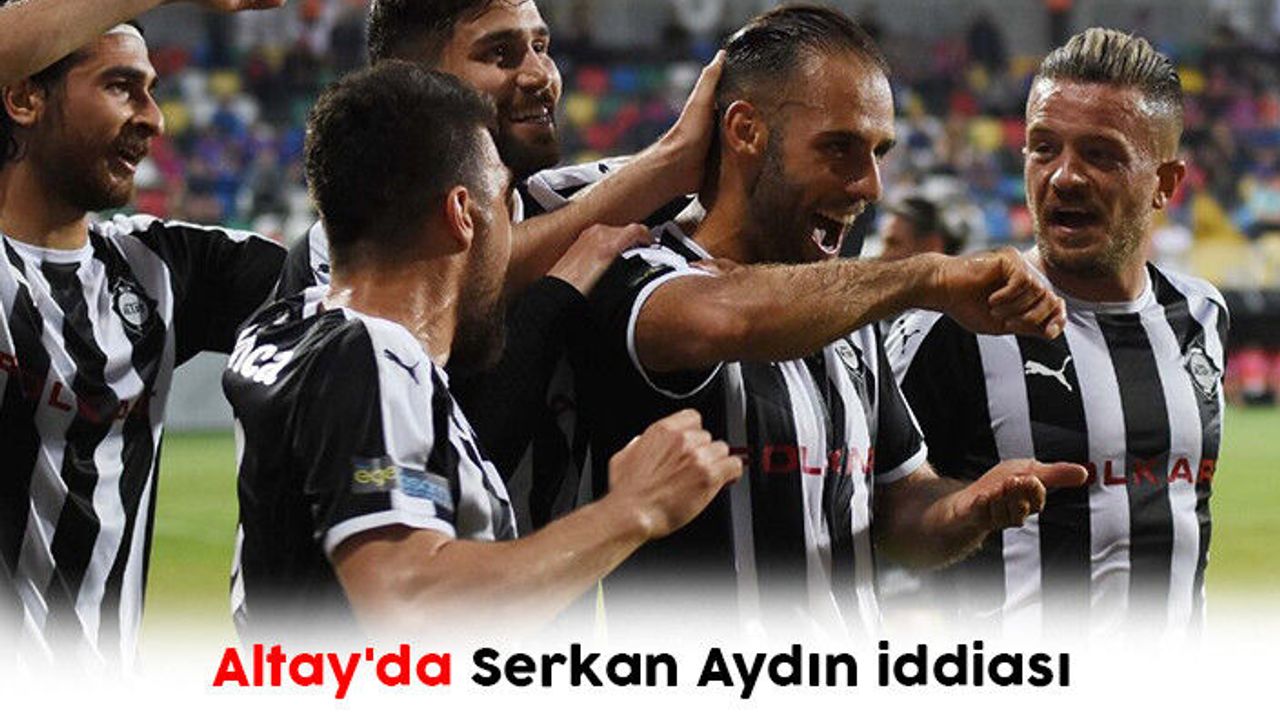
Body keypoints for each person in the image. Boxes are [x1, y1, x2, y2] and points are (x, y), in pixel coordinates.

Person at [575, 4, 1085, 637]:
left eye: (879, 152)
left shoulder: (847, 306)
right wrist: (926, 277)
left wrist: (965, 508)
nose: (870, 185)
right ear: (745, 131)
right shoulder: (636, 269)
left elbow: (897, 506)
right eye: (839, 148)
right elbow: (723, 319)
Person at [223, 62, 741, 641]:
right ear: (461, 215)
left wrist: (565, 280)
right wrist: (633, 509)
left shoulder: (286, 326)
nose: (512, 228)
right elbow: (410, 599)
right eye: (501, 202)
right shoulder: (372, 357)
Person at [277, 0, 720, 532]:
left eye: (541, 46)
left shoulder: (579, 200)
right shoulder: (341, 251)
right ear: (413, 83)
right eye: (501, 54)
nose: (541, 75)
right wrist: (561, 285)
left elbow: (697, 164)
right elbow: (443, 467)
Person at [888, 28, 1227, 640]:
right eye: (1044, 148)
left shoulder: (1202, 315)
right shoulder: (950, 326)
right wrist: (962, 513)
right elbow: (870, 518)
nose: (1065, 176)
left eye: (1101, 154)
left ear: (1166, 184)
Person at [0, 2, 287, 667]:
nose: (154, 118)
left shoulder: (160, 269)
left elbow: (369, 278)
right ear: (23, 97)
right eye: (121, 86)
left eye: (152, 90)